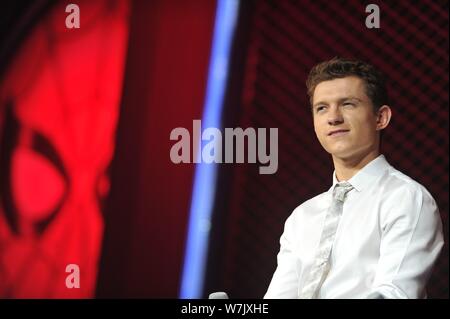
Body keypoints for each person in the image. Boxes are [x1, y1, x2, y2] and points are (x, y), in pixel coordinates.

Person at [264, 57, 444, 299]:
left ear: (381, 118)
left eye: (347, 104)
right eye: (322, 108)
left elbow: (395, 294)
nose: (333, 117)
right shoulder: (302, 217)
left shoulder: (405, 198)